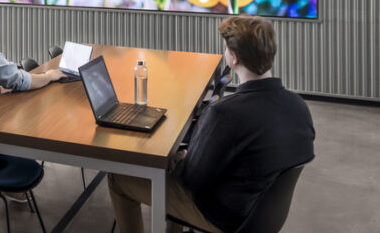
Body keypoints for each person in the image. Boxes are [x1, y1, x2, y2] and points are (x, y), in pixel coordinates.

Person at [109, 16, 315, 233]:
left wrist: (178, 160)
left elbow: (192, 180)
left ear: (234, 58)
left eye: (226, 48)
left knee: (119, 178)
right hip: (256, 213)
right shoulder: (298, 105)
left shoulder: (225, 113)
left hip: (222, 215)